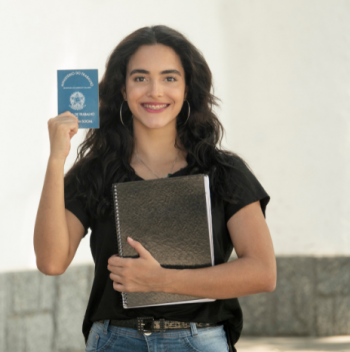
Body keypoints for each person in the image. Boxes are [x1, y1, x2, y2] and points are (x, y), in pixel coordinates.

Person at [34, 25, 276, 352]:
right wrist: (56, 159)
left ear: (188, 88)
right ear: (122, 89)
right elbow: (51, 261)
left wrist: (162, 281)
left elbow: (262, 272)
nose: (155, 91)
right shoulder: (96, 172)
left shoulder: (224, 172)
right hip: (114, 341)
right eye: (140, 78)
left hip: (199, 341)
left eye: (169, 78)